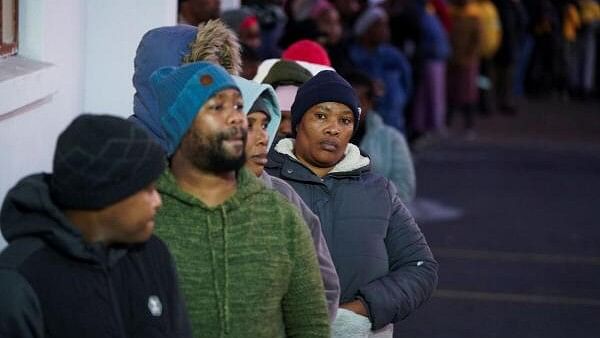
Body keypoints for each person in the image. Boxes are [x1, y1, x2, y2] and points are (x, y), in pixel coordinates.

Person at [148, 62, 330, 337]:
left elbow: (311, 326)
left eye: (237, 106)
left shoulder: (281, 215)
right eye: (217, 107)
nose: (237, 119)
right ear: (180, 126)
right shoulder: (144, 215)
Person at [265, 71, 438, 337]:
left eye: (345, 120)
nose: (333, 128)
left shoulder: (379, 191)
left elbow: (420, 267)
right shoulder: (263, 182)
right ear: (298, 122)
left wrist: (362, 310)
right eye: (321, 116)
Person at [0, 114, 192, 338]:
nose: (158, 201)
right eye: (147, 189)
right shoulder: (18, 282)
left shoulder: (154, 254)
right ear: (105, 195)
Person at [234, 75, 340, 320]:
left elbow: (324, 287)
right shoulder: (180, 199)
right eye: (249, 125)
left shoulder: (283, 197)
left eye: (265, 125)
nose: (263, 138)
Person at [345, 71, 417, 203]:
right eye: (344, 102)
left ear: (370, 103)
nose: (350, 109)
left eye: (358, 102)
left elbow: (405, 190)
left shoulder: (392, 139)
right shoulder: (324, 137)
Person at [349, 5, 413, 134]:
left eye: (386, 25)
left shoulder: (393, 56)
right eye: (379, 26)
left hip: (394, 119)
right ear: (366, 30)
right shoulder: (352, 56)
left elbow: (407, 82)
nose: (385, 30)